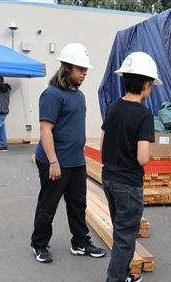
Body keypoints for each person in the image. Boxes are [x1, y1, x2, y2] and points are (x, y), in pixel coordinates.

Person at [30, 43, 106, 263]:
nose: (84, 74)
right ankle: (39, 244)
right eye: (80, 69)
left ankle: (80, 243)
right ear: (67, 67)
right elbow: (45, 129)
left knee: (78, 205)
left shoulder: (79, 96)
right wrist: (53, 161)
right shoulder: (52, 94)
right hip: (54, 162)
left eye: (85, 70)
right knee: (48, 205)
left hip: (76, 161)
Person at [99, 52, 162, 282]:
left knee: (121, 230)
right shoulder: (144, 116)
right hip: (129, 184)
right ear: (147, 86)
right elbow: (142, 158)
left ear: (125, 80)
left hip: (109, 179)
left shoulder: (113, 107)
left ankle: (124, 274)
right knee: (126, 236)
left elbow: (103, 145)